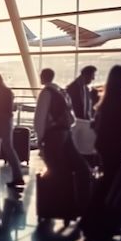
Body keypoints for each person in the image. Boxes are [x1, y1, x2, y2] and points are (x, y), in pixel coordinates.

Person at [82, 65, 121, 240]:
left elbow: (96, 124)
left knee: (107, 182)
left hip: (104, 145)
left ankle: (93, 221)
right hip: (114, 146)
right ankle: (98, 221)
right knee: (110, 183)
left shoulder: (107, 98)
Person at [33, 68, 90, 215]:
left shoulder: (46, 93)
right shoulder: (60, 92)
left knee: (54, 168)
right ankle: (76, 202)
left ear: (43, 77)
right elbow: (71, 119)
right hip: (66, 133)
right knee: (71, 165)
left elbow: (40, 118)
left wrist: (40, 139)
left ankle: (55, 205)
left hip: (53, 136)